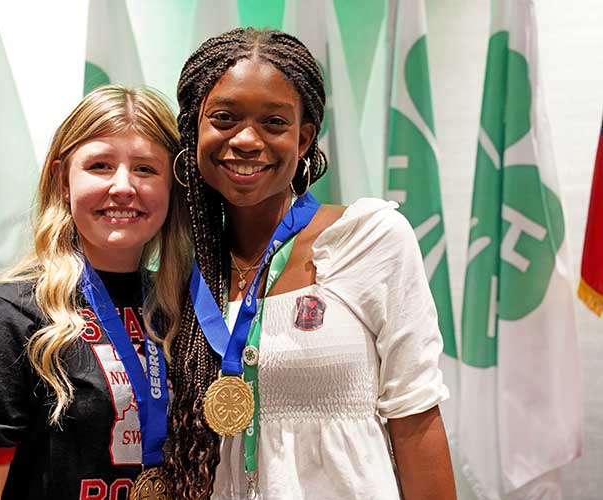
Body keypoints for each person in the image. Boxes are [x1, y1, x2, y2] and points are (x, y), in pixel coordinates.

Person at [162, 28, 457, 500]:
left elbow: (416, 418)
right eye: (223, 118)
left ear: (303, 140)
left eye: (274, 123)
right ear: (193, 130)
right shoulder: (178, 269)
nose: (246, 140)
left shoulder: (367, 238)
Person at [0, 85, 190, 500]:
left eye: (145, 169)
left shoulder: (186, 310)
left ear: (172, 187)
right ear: (62, 181)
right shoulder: (11, 313)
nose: (123, 186)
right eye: (101, 165)